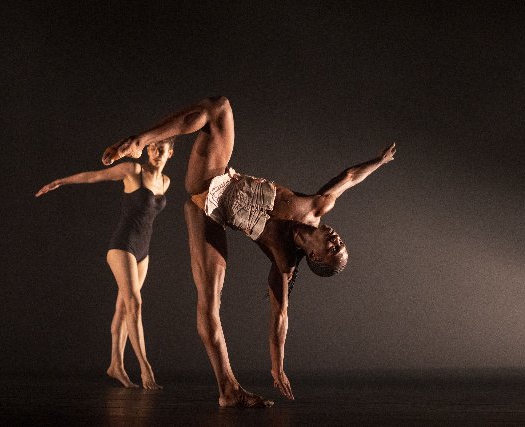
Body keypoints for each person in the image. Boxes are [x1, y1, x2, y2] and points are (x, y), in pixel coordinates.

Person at [102, 97, 396, 407]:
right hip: (217, 175)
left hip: (207, 211)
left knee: (209, 302)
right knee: (220, 107)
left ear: (316, 257)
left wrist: (277, 366)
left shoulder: (284, 261)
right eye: (341, 243)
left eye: (334, 248)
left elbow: (280, 317)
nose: (337, 238)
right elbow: (350, 177)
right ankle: (140, 141)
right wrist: (379, 162)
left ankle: (228, 390)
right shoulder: (316, 205)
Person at [36, 138, 175, 390]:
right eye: (152, 147)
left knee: (123, 309)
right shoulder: (133, 170)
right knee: (134, 304)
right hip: (122, 246)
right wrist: (60, 181)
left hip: (143, 252)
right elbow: (95, 176)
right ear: (148, 149)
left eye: (161, 149)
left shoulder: (166, 182)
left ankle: (115, 365)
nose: (155, 152)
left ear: (170, 153)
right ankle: (146, 368)